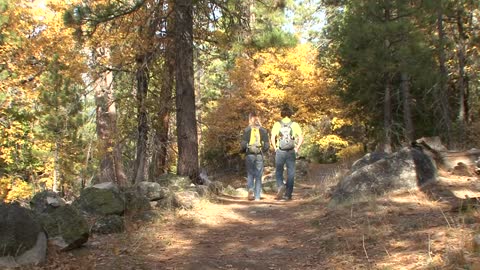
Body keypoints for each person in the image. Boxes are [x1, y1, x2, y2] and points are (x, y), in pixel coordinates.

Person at [270, 106, 304, 201]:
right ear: (290, 114)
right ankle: (288, 195)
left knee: (278, 171)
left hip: (280, 151)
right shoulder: (295, 124)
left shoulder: (277, 124)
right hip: (291, 151)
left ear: (282, 114)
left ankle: (281, 185)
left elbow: (272, 138)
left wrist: (275, 148)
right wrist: (297, 148)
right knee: (291, 173)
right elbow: (301, 137)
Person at [240, 111, 270, 201]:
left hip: (249, 154)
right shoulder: (263, 130)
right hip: (259, 154)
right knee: (258, 175)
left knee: (250, 173)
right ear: (258, 119)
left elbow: (243, 144)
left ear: (250, 119)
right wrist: (263, 151)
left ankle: (250, 189)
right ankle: (257, 197)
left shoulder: (246, 130)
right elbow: (267, 145)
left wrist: (244, 151)